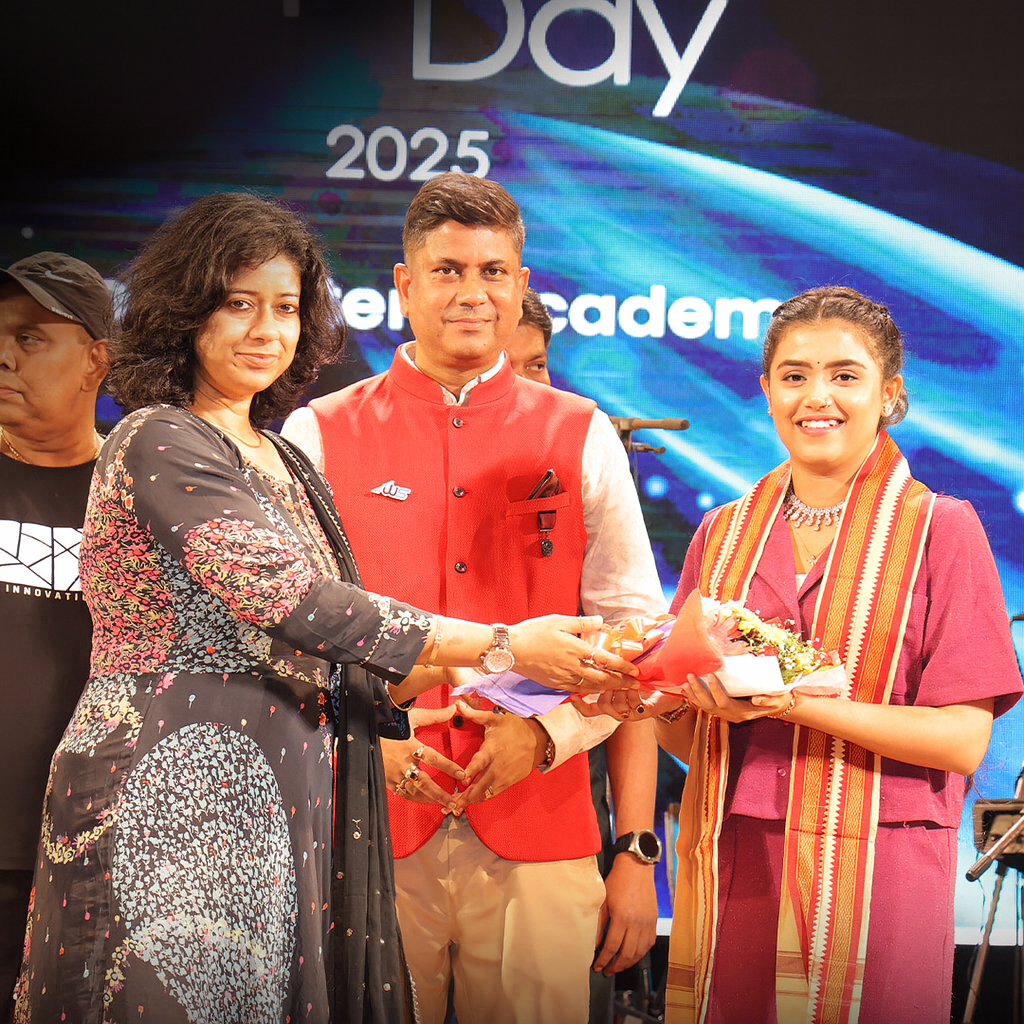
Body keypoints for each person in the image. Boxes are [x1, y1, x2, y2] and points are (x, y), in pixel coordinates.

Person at [11, 192, 636, 1024]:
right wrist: (503, 647)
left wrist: (513, 717)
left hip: (283, 806)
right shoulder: (161, 437)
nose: (266, 330)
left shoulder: (278, 456)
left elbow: (330, 646)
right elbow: (299, 603)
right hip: (172, 795)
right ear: (187, 311)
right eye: (238, 304)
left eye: (285, 308)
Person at [281, 171, 667, 1024]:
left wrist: (549, 737)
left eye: (493, 271)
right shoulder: (317, 432)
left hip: (542, 828)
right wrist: (357, 748)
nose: (472, 292)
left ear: (520, 283)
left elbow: (636, 644)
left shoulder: (581, 432)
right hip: (365, 825)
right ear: (405, 284)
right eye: (448, 270)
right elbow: (286, 642)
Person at [584, 285, 1024, 1024]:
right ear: (766, 391)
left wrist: (797, 704)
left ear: (890, 393)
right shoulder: (722, 534)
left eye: (844, 375)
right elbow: (689, 735)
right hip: (735, 855)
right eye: (794, 375)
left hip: (881, 865)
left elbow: (961, 740)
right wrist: (655, 699)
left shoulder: (941, 530)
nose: (816, 396)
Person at [508, 287, 661, 1022]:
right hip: (406, 833)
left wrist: (634, 852)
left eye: (536, 365)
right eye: (505, 368)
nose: (522, 387)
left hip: (559, 825)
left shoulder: (585, 464)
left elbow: (636, 677)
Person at [0, 253, 111, 1014]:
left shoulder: (145, 495)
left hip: (92, 855)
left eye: (32, 337)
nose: (4, 356)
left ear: (96, 359)